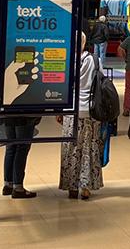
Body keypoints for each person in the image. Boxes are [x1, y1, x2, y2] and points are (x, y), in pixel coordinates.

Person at [58, 32, 104, 199]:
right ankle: (86, 187)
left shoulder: (67, 60)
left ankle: (71, 186)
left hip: (71, 109)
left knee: (71, 148)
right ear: (85, 43)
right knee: (89, 148)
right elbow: (100, 82)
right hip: (91, 110)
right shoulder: (95, 60)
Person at [1, 115, 41, 198]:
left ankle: (8, 185)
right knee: (22, 148)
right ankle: (18, 188)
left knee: (11, 147)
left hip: (8, 113)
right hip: (25, 115)